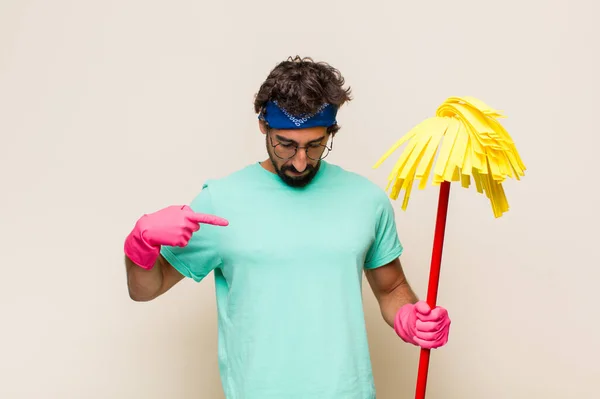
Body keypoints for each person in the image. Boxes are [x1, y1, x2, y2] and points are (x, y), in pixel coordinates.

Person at [123, 56, 451, 399]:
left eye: (314, 146)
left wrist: (410, 316)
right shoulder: (219, 201)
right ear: (263, 126)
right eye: (286, 144)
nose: (299, 161)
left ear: (331, 132)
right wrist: (139, 243)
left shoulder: (366, 199)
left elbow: (391, 288)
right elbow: (146, 288)